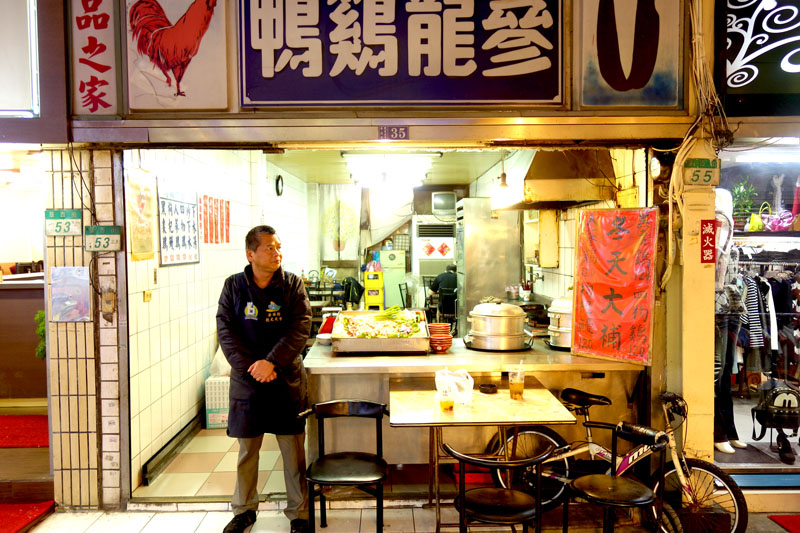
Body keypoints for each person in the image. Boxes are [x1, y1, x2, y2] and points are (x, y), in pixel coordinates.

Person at [217, 225, 312, 533]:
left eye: (278, 247)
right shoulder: (233, 287)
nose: (277, 253)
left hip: (284, 378)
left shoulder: (292, 285)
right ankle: (244, 510)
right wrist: (252, 367)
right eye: (270, 248)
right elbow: (226, 331)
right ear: (251, 254)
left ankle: (299, 514)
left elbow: (300, 327)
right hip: (248, 381)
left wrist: (271, 362)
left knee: (293, 451)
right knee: (247, 452)